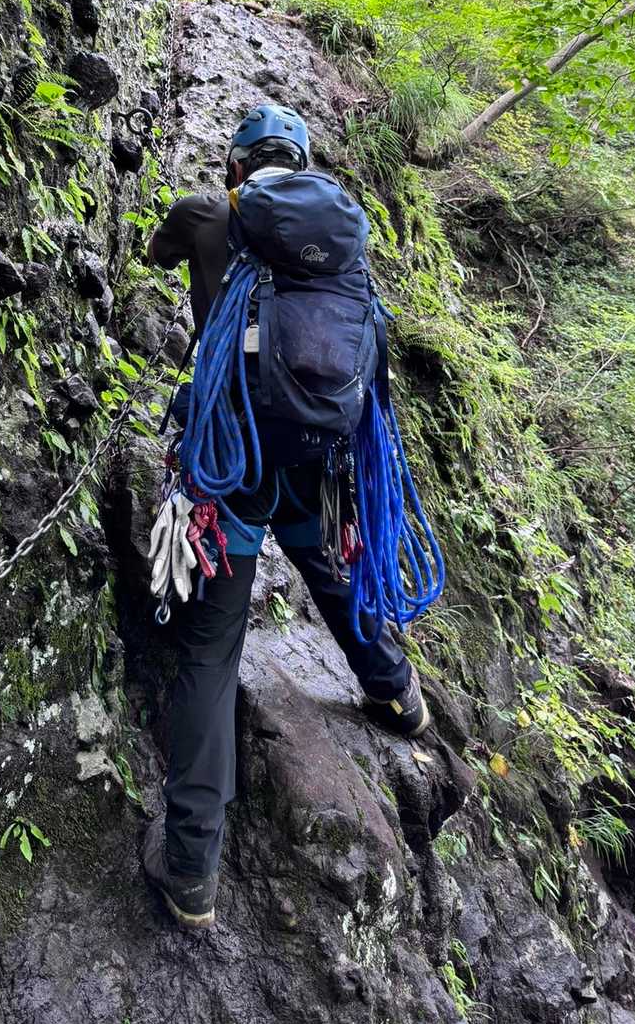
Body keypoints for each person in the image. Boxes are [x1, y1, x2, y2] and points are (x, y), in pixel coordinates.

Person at [140, 102, 430, 929]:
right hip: (314, 457)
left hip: (230, 459)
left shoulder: (208, 215)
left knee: (210, 652)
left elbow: (156, 253)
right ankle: (397, 694)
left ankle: (191, 869)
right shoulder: (343, 242)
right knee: (328, 569)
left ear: (237, 167)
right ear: (302, 169)